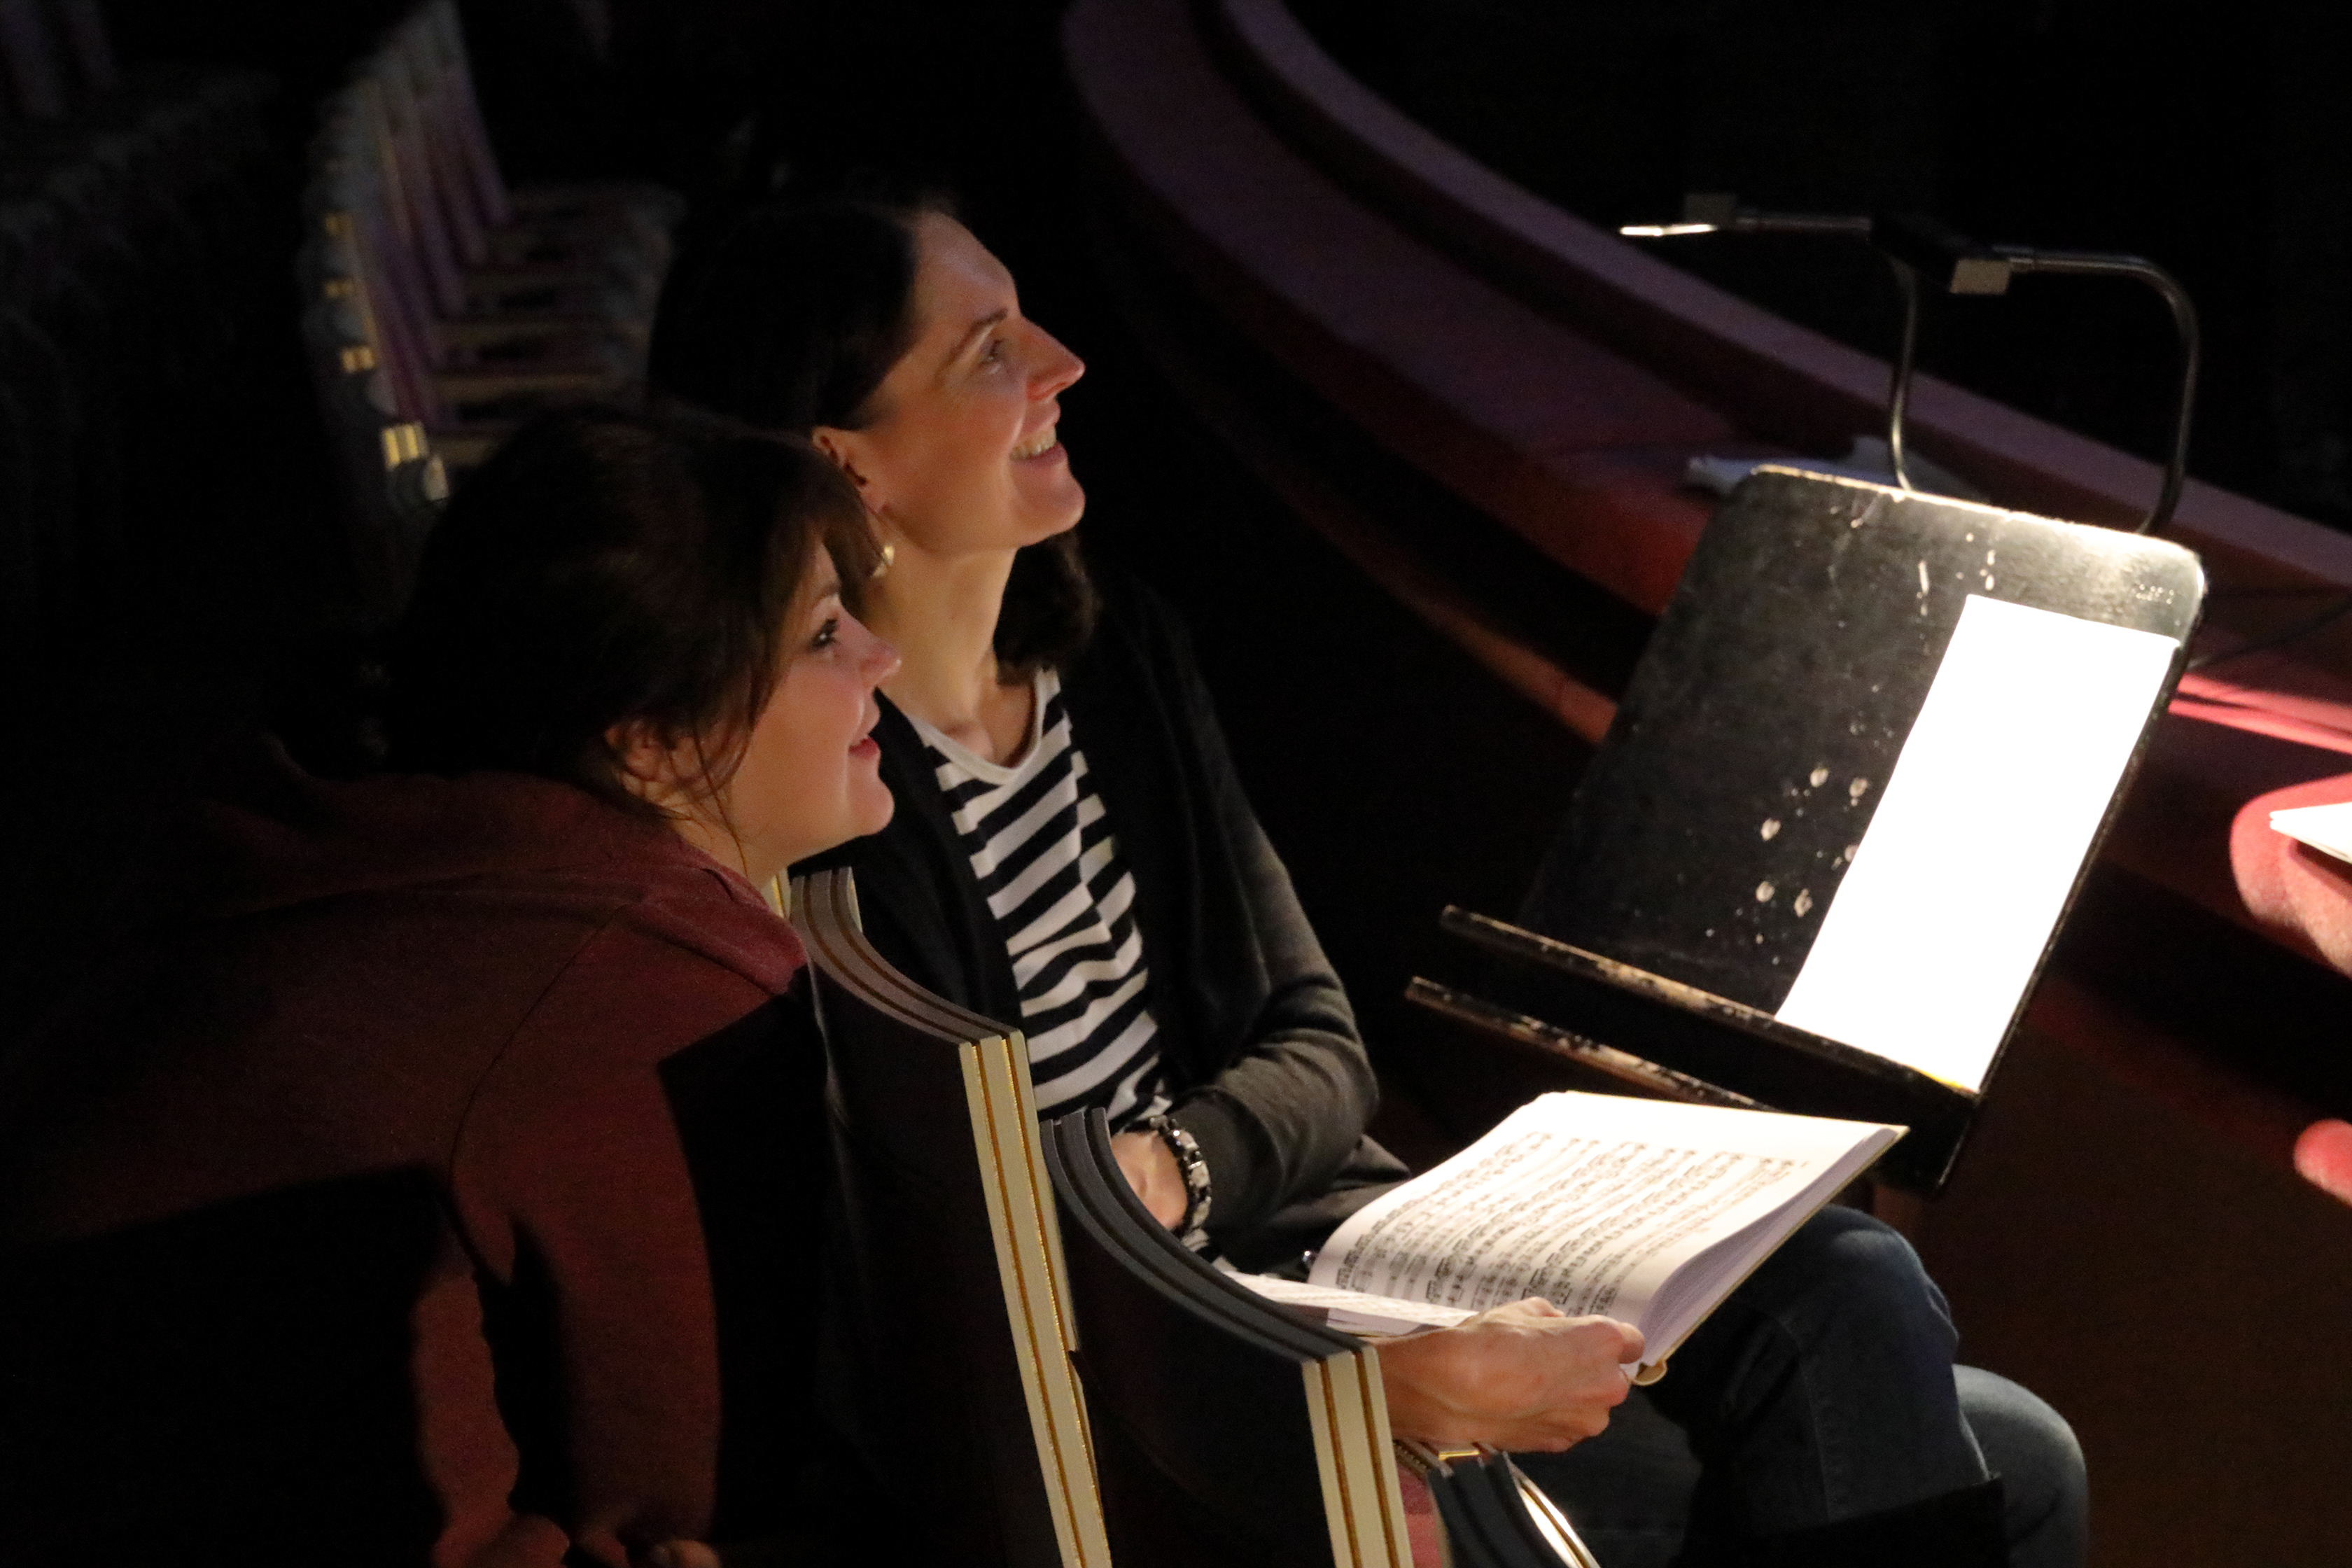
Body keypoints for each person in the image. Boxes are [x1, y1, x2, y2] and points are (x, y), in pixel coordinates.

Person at [648, 194, 2090, 1567]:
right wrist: (1356, 1375)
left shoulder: (1120, 652)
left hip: (1323, 1243)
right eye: (991, 350)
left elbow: (1318, 1045)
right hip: (1219, 1377)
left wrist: (1187, 1158)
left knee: (1864, 1293)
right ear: (849, 459)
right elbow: (995, 1299)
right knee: (2000, 1463)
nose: (1064, 362)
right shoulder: (844, 787)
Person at [0, 410, 900, 1566]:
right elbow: (689, 1498)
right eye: (824, 635)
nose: (884, 658)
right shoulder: (652, 985)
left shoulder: (354, 837)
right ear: (650, 742)